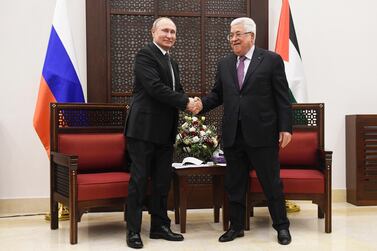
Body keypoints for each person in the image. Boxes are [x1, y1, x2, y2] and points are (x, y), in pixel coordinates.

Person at [193, 17, 293, 245]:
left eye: (238, 34)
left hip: (263, 134)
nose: (233, 39)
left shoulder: (271, 60)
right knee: (235, 184)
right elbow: (218, 94)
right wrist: (201, 105)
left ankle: (281, 227)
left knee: (271, 183)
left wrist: (285, 127)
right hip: (233, 134)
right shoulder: (225, 63)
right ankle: (236, 227)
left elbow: (282, 97)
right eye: (231, 35)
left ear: (252, 36)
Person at [125, 17, 196, 249]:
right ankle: (133, 230)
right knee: (138, 180)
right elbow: (155, 88)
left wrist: (193, 101)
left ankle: (159, 226)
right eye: (165, 30)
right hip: (143, 130)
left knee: (161, 182)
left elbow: (177, 90)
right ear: (153, 32)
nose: (170, 35)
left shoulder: (172, 61)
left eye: (173, 32)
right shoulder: (145, 55)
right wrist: (185, 102)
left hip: (165, 131)